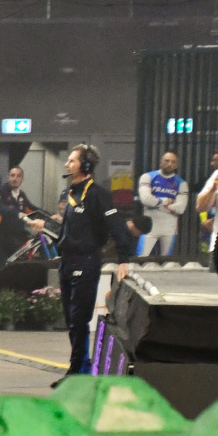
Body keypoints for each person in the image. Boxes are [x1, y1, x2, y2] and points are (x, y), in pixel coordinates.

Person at [53, 144, 132, 376]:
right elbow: (71, 232)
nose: (67, 164)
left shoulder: (97, 194)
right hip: (67, 263)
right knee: (71, 320)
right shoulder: (71, 194)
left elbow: (117, 226)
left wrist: (124, 259)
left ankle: (77, 370)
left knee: (79, 319)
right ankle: (81, 366)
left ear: (85, 166)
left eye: (72, 161)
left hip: (85, 262)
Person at [0, 166, 40, 269]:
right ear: (8, 178)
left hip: (15, 238)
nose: (15, 179)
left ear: (22, 179)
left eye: (18, 176)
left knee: (18, 267)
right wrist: (18, 213)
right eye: (12, 175)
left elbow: (32, 209)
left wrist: (51, 215)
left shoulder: (21, 195)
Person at [136, 151, 188, 256]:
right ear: (161, 162)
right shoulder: (148, 177)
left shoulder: (181, 183)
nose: (169, 164)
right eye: (167, 161)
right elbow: (145, 199)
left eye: (173, 162)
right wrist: (167, 201)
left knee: (166, 261)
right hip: (149, 226)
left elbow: (180, 208)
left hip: (170, 228)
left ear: (176, 165)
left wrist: (156, 204)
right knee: (140, 258)